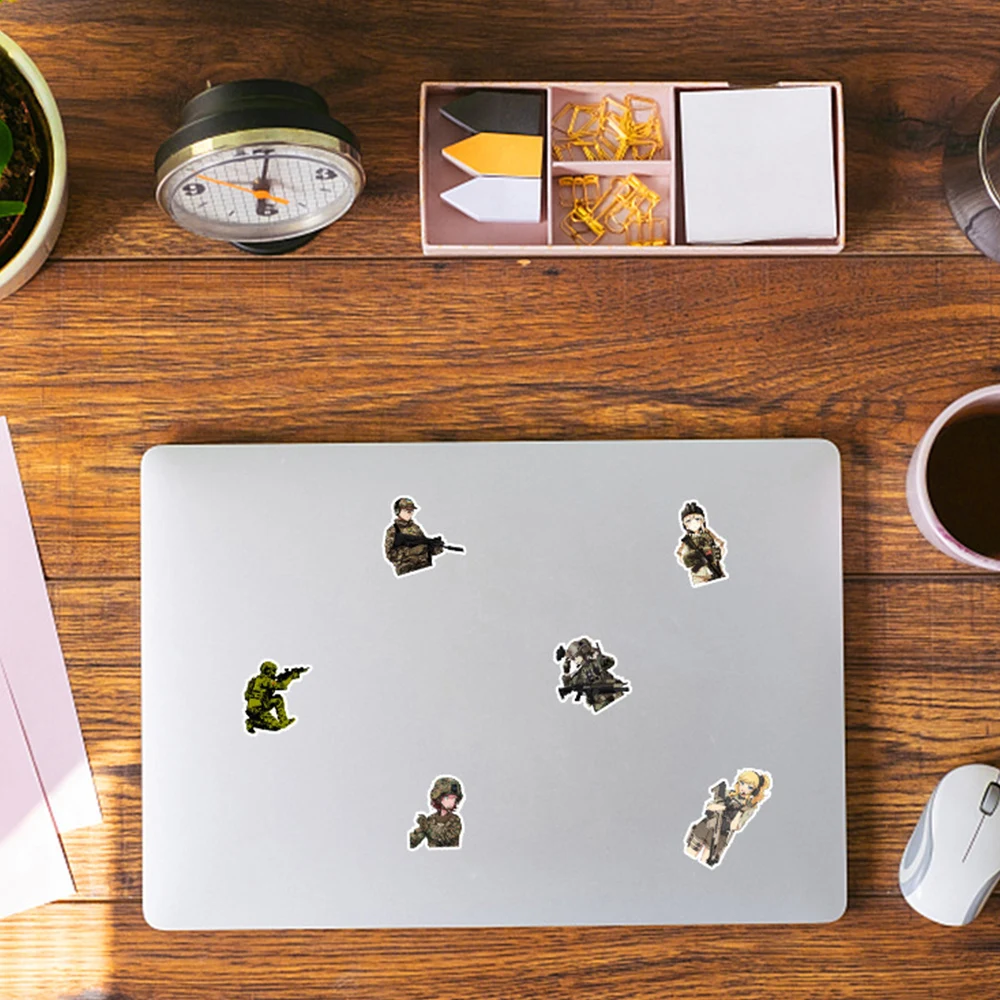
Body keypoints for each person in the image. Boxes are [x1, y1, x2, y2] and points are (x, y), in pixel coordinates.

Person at [684, 769, 771, 867]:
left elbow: (735, 827)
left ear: (755, 791)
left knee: (705, 862)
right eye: (742, 783)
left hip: (719, 835)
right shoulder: (728, 794)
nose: (744, 788)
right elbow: (709, 807)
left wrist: (740, 811)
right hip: (706, 826)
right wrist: (725, 807)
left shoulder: (748, 807)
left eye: (749, 787)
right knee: (689, 854)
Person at [555, 636, 629, 713]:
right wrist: (566, 672)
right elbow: (568, 686)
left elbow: (610, 662)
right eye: (573, 658)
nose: (574, 660)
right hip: (600, 705)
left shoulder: (595, 663)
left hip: (615, 696)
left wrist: (595, 654)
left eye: (575, 657)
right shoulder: (579, 674)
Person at [383, 497, 446, 576]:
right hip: (407, 571)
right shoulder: (393, 530)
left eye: (411, 511)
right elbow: (390, 555)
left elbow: (423, 545)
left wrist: (435, 548)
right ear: (398, 511)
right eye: (406, 510)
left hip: (425, 568)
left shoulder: (415, 527)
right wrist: (411, 551)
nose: (410, 513)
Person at [243, 660, 309, 734]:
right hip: (259, 710)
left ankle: (284, 720)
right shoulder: (265, 680)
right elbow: (282, 686)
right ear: (267, 671)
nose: (274, 673)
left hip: (252, 708)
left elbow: (246, 696)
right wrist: (291, 677)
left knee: (277, 699)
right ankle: (252, 723)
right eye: (273, 671)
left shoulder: (254, 680)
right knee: (276, 727)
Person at [675, 500, 727, 586]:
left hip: (714, 568)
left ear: (703, 521)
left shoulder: (708, 535)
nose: (693, 523)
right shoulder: (687, 540)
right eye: (688, 521)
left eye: (697, 519)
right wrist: (691, 559)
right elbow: (679, 554)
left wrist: (717, 553)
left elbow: (721, 544)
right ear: (685, 525)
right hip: (699, 575)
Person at [408, 776, 464, 849]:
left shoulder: (455, 820)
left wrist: (426, 827)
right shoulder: (431, 819)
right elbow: (413, 842)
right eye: (447, 798)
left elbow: (444, 838)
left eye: (453, 798)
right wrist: (418, 831)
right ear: (438, 798)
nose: (451, 801)